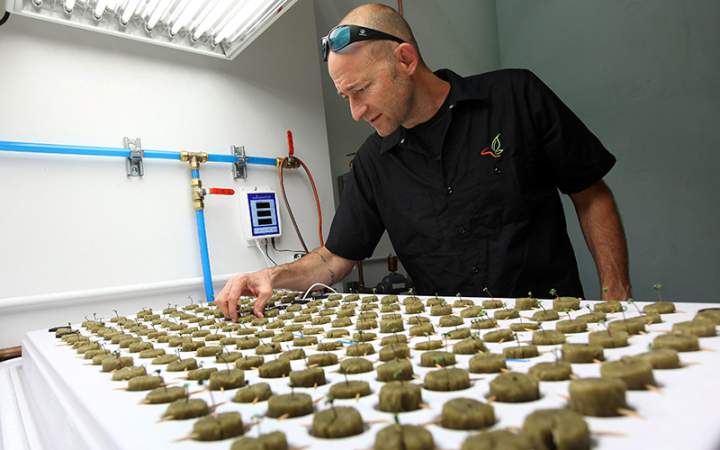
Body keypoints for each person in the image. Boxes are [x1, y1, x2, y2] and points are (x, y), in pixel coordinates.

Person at [216, 3, 631, 321]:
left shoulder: (515, 96)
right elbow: (334, 258)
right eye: (346, 97)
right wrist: (271, 276)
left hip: (554, 322)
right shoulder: (373, 162)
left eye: (361, 90)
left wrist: (616, 300)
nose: (356, 113)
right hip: (448, 340)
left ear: (406, 60)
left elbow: (591, 195)